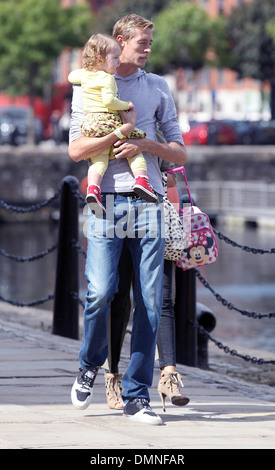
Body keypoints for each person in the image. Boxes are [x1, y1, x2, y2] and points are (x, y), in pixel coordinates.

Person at [68, 14, 187, 426]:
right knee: (100, 291)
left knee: (151, 301)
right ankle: (89, 364)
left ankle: (138, 395)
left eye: (150, 41)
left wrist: (144, 141)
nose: (148, 47)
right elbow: (76, 150)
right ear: (120, 41)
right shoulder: (88, 84)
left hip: (148, 201)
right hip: (104, 203)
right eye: (142, 41)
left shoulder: (157, 87)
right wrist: (114, 139)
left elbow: (180, 152)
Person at [105, 167, 190, 413]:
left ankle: (169, 375)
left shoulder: (157, 127)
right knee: (119, 299)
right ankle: (112, 376)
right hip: (119, 211)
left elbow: (174, 171)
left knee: (161, 298)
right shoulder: (111, 128)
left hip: (157, 211)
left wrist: (154, 166)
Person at [68, 33, 157, 214]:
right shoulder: (107, 78)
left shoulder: (85, 76)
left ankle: (93, 188)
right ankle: (141, 180)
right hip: (107, 120)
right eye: (115, 58)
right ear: (100, 59)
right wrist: (126, 105)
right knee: (135, 144)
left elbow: (71, 76)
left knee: (99, 160)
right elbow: (109, 101)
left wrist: (85, 71)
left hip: (90, 125)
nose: (119, 61)